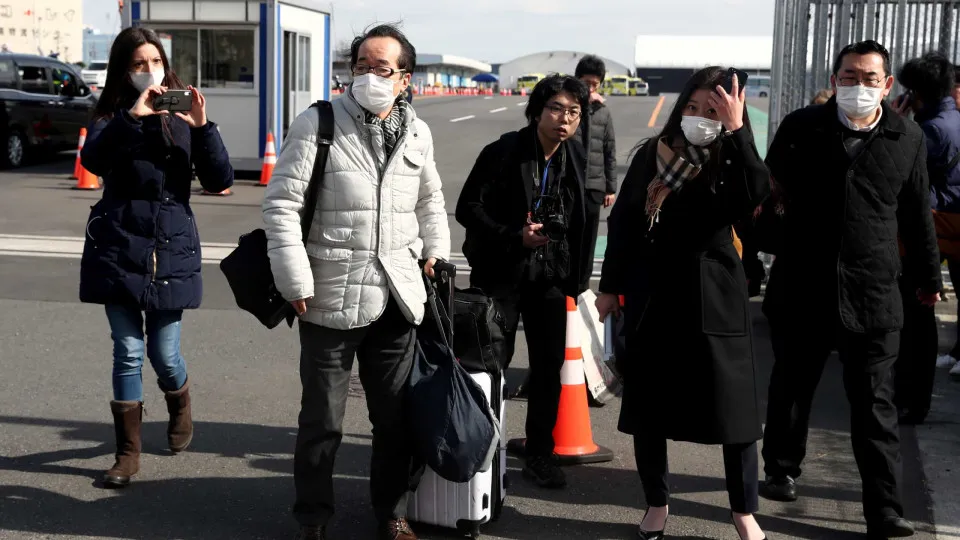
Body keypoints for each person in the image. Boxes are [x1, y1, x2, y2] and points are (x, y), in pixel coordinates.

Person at [261, 23, 450, 540]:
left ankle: (391, 511)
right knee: (322, 421)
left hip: (398, 298)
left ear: (405, 79)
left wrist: (436, 250)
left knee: (397, 422)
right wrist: (294, 278)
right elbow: (282, 203)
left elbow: (430, 201)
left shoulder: (417, 130)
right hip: (328, 295)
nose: (368, 76)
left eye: (381, 68)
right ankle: (313, 518)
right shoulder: (319, 122)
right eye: (360, 66)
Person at [759, 40, 941, 538]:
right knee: (792, 385)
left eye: (868, 78)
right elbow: (769, 196)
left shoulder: (907, 138)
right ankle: (781, 467)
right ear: (834, 79)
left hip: (874, 293)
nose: (858, 86)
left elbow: (916, 215)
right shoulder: (801, 128)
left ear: (887, 85)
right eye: (848, 76)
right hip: (802, 287)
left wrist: (928, 280)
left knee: (875, 404)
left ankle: (883, 508)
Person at [596, 66, 770, 540]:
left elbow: (755, 197)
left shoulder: (734, 155)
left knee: (734, 412)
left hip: (717, 292)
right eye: (691, 108)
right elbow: (626, 223)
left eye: (711, 110)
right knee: (650, 408)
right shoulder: (655, 155)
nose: (698, 117)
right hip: (656, 292)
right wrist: (611, 287)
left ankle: (743, 511)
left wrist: (735, 133)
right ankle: (656, 502)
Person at [78, 27, 233, 488]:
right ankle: (128, 454)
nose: (150, 72)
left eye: (156, 62)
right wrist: (132, 115)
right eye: (139, 64)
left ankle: (180, 402)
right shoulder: (112, 115)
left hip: (170, 249)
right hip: (118, 247)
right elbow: (94, 161)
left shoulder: (183, 115)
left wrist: (203, 127)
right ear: (124, 70)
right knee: (127, 351)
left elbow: (219, 177)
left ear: (167, 65)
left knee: (164, 355)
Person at [455, 74, 591, 490]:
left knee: (549, 366)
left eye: (573, 112)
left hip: (549, 274)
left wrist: (578, 279)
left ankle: (540, 453)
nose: (564, 119)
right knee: (491, 363)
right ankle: (481, 448)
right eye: (556, 109)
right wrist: (514, 233)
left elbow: (585, 218)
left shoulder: (575, 157)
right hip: (502, 270)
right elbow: (467, 208)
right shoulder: (504, 151)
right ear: (536, 110)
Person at [892, 52, 960, 417]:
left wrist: (895, 124)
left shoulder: (929, 130)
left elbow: (902, 175)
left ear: (915, 94)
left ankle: (912, 400)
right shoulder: (954, 121)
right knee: (922, 313)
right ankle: (914, 398)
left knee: (916, 318)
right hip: (947, 225)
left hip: (929, 228)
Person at [574, 54, 618, 262]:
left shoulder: (603, 111)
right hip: (570, 184)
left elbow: (610, 150)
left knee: (589, 241)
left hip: (594, 186)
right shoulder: (570, 109)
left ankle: (583, 286)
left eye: (595, 84)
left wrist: (610, 188)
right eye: (585, 83)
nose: (590, 89)